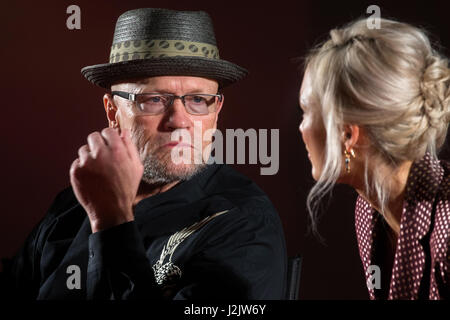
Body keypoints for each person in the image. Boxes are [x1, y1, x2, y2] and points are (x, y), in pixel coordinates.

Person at [1, 8, 287, 300]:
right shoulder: (74, 205)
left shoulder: (243, 223)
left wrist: (111, 220)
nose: (179, 120)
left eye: (199, 100)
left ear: (217, 112)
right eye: (153, 99)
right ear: (112, 112)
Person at [298, 17, 449, 299]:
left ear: (347, 135)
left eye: (307, 111)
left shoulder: (447, 234)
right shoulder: (367, 212)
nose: (301, 128)